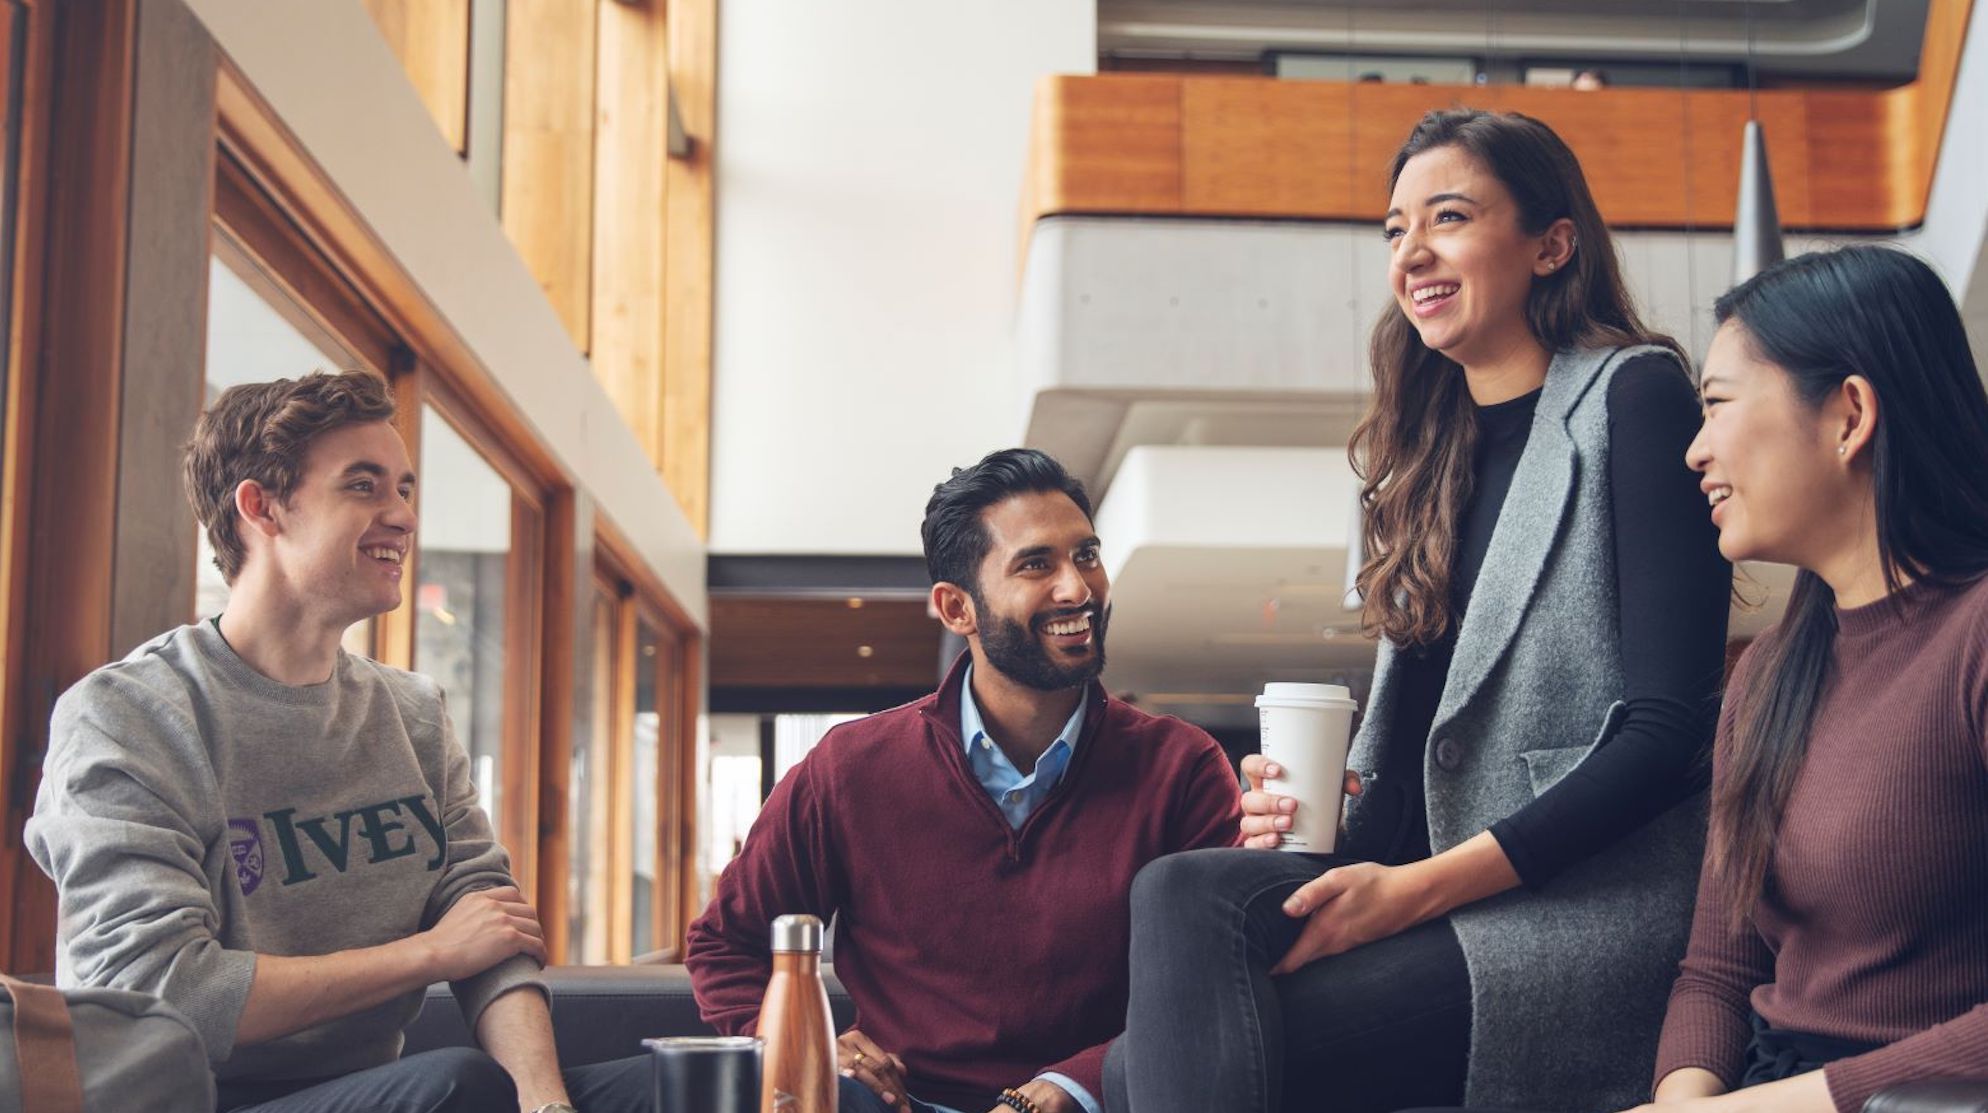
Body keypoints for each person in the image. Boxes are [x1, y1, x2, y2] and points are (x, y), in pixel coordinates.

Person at [1107, 109, 1731, 1112]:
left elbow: (1664, 736)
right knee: (1176, 893)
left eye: (1445, 217)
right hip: (1430, 893)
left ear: (1549, 244)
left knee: (1145, 1069)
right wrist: (1316, 811)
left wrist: (1405, 894)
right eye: (1394, 229)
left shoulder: (1634, 398)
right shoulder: (1423, 453)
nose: (1412, 253)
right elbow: (1406, 785)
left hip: (1581, 914)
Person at [27, 371, 647, 1113]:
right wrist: (430, 953)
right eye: (364, 486)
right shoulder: (129, 714)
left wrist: (547, 1102)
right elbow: (158, 988)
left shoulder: (413, 714)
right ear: (261, 507)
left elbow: (490, 929)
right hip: (196, 1099)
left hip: (376, 1091)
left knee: (692, 1084)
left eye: (406, 490)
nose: (402, 515)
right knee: (454, 1087)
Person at [686, 448, 1243, 1113]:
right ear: (956, 608)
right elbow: (727, 945)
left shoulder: (1181, 767)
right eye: (1037, 564)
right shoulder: (848, 769)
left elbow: (1208, 982)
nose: (1078, 588)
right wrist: (804, 1044)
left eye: (1086, 556)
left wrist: (1078, 1084)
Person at [1638, 246, 1988, 1112]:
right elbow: (1719, 969)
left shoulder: (1975, 637)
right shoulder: (1764, 676)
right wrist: (1687, 1101)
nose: (1694, 450)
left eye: (1717, 405)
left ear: (1849, 414)